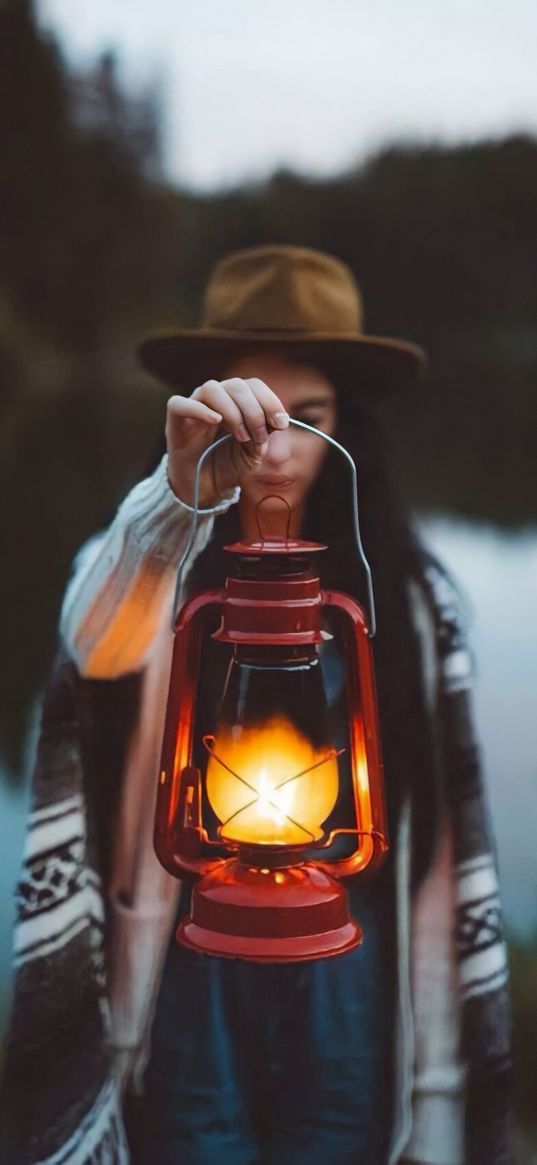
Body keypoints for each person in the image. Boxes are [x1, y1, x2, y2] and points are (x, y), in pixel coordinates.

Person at [2, 246, 511, 1165]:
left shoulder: (407, 600)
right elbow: (96, 640)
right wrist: (178, 497)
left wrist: (436, 1077)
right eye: (249, 417)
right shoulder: (152, 557)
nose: (272, 451)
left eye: (304, 419)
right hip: (186, 959)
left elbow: (436, 845)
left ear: (346, 424)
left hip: (352, 959)